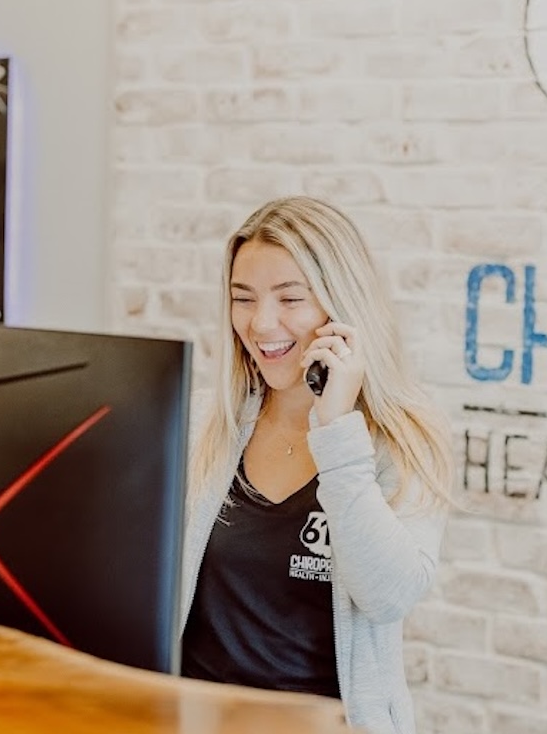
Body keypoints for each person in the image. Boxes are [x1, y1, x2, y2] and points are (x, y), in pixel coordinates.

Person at [180, 196, 455, 734]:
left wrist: (336, 432)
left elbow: (387, 596)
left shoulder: (405, 436)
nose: (261, 323)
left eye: (290, 298)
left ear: (340, 308)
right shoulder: (203, 427)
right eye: (243, 298)